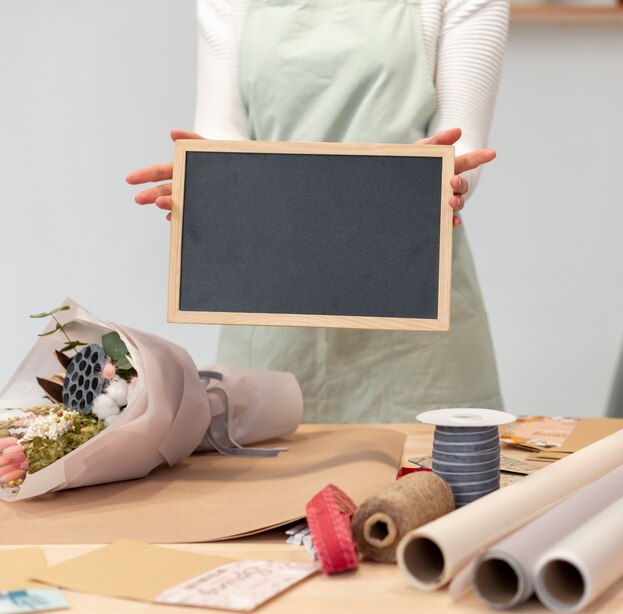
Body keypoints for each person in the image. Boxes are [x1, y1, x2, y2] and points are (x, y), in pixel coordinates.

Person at [127, 0, 510, 423]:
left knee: (427, 483)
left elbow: (459, 140)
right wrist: (205, 179)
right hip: (270, 312)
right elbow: (223, 132)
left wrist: (442, 180)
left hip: (414, 307)